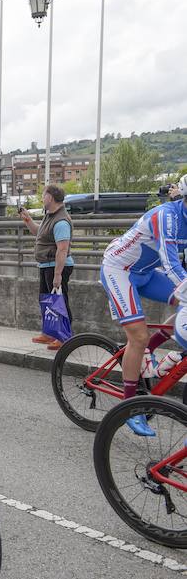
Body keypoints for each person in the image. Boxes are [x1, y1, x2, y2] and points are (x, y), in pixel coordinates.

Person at [99, 174, 187, 436]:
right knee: (137, 336)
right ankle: (128, 408)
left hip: (146, 274)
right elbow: (171, 263)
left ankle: (149, 349)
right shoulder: (167, 216)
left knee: (183, 307)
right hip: (119, 270)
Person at [19, 184, 74, 350]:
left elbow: (62, 249)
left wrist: (58, 275)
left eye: (44, 195)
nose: (42, 198)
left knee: (59, 301)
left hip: (56, 266)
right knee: (46, 300)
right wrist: (28, 220)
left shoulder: (61, 221)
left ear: (50, 197)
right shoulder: (49, 216)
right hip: (46, 264)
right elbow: (39, 232)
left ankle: (64, 337)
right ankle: (49, 333)